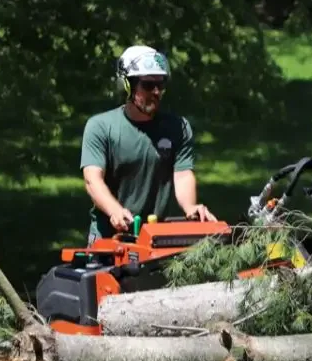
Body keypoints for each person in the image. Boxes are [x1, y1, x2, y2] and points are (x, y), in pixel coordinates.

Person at [79, 45, 215, 243]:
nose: (157, 92)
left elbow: (183, 174)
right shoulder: (100, 127)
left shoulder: (178, 127)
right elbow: (92, 180)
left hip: (155, 239)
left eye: (161, 84)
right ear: (128, 85)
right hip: (109, 240)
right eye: (148, 85)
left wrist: (190, 208)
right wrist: (115, 210)